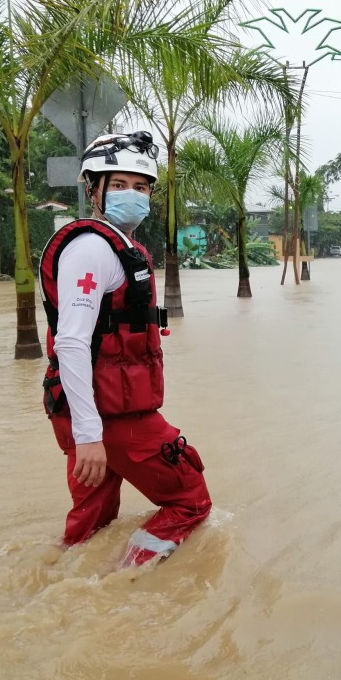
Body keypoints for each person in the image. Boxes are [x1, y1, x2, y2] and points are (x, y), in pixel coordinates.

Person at [38, 131, 211, 568]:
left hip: (92, 413)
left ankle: (72, 591)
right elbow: (72, 341)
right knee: (190, 500)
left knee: (90, 525)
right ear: (93, 189)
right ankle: (125, 578)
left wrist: (86, 433)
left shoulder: (117, 246)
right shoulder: (94, 248)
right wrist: (89, 436)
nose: (131, 195)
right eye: (118, 185)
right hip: (113, 420)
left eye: (141, 187)